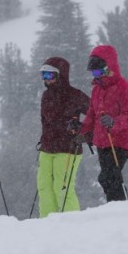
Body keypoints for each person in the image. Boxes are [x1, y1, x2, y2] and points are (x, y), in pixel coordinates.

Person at [77, 45, 128, 202]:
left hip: (120, 141)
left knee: (108, 176)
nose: (95, 76)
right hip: (102, 142)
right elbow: (91, 114)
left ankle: (119, 206)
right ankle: (115, 205)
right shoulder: (97, 89)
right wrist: (82, 131)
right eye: (93, 73)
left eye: (97, 72)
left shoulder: (124, 87)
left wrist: (114, 122)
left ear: (108, 67)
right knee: (108, 178)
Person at [37, 57, 90, 217]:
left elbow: (95, 116)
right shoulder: (46, 96)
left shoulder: (75, 95)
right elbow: (45, 122)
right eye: (43, 75)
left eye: (49, 75)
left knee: (62, 186)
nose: (46, 79)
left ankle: (71, 223)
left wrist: (83, 131)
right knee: (44, 186)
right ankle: (48, 222)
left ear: (61, 75)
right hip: (47, 148)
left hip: (68, 147)